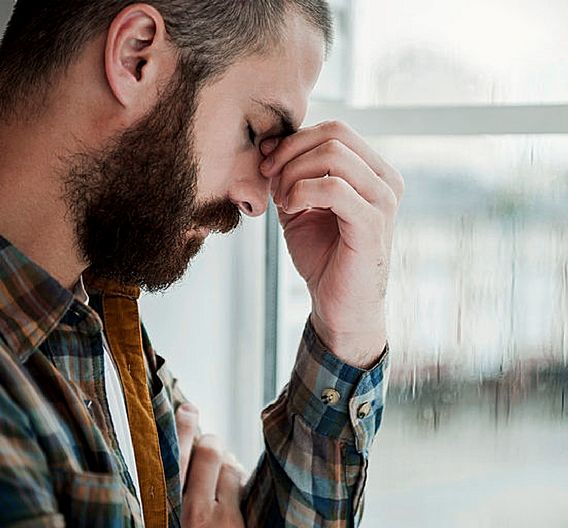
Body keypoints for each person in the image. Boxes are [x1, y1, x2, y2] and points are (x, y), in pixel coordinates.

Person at [0, 0, 403, 526]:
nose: (259, 201)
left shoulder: (97, 321)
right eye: (257, 132)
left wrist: (345, 332)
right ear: (135, 55)